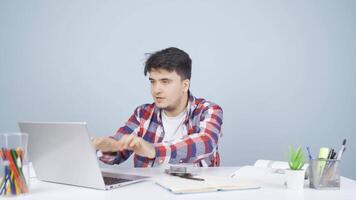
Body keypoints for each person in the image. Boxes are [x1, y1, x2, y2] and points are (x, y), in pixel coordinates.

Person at [92, 47, 223, 167]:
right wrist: (108, 147)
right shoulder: (142, 113)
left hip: (196, 190)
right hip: (150, 190)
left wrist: (153, 150)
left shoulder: (208, 110)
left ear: (185, 85)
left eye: (165, 82)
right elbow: (116, 156)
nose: (156, 90)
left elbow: (206, 142)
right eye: (153, 82)